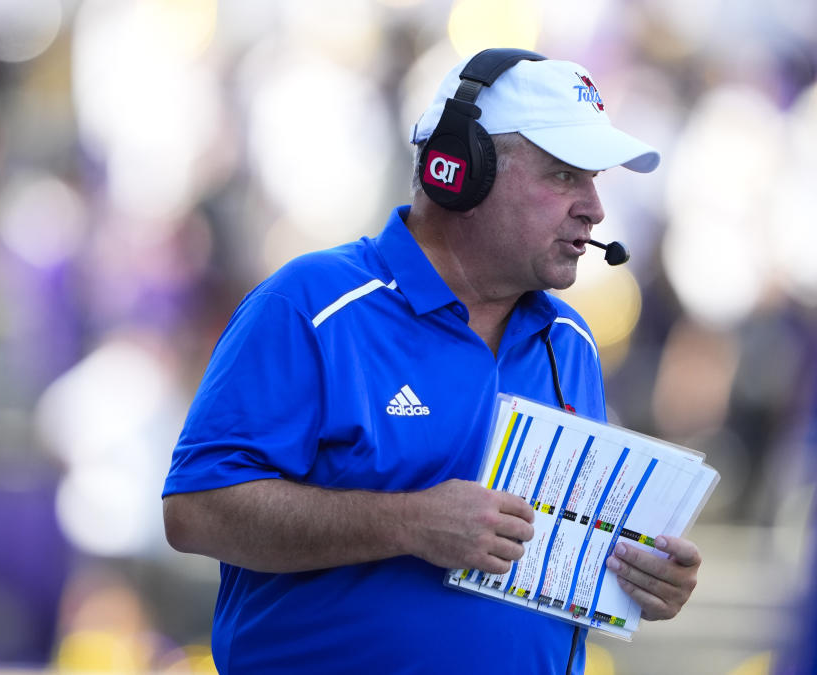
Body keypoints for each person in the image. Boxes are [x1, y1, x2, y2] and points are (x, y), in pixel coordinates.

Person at [162, 48, 702, 675]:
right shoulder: (311, 304)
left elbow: (556, 559)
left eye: (594, 180)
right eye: (563, 175)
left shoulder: (570, 340)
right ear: (460, 170)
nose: (594, 207)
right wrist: (405, 523)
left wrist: (642, 579)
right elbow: (196, 511)